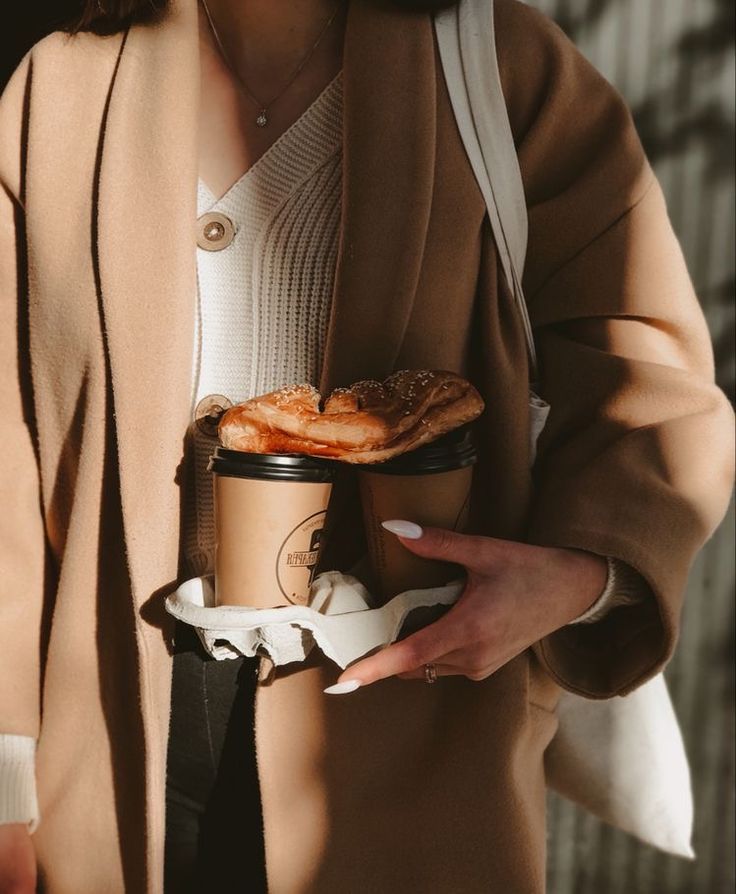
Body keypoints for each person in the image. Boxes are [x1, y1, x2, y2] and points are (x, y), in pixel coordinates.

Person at [0, 0, 732, 890]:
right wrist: (6, 775)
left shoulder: (497, 63)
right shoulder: (61, 86)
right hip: (117, 738)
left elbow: (643, 370)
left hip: (418, 732)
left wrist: (580, 575)